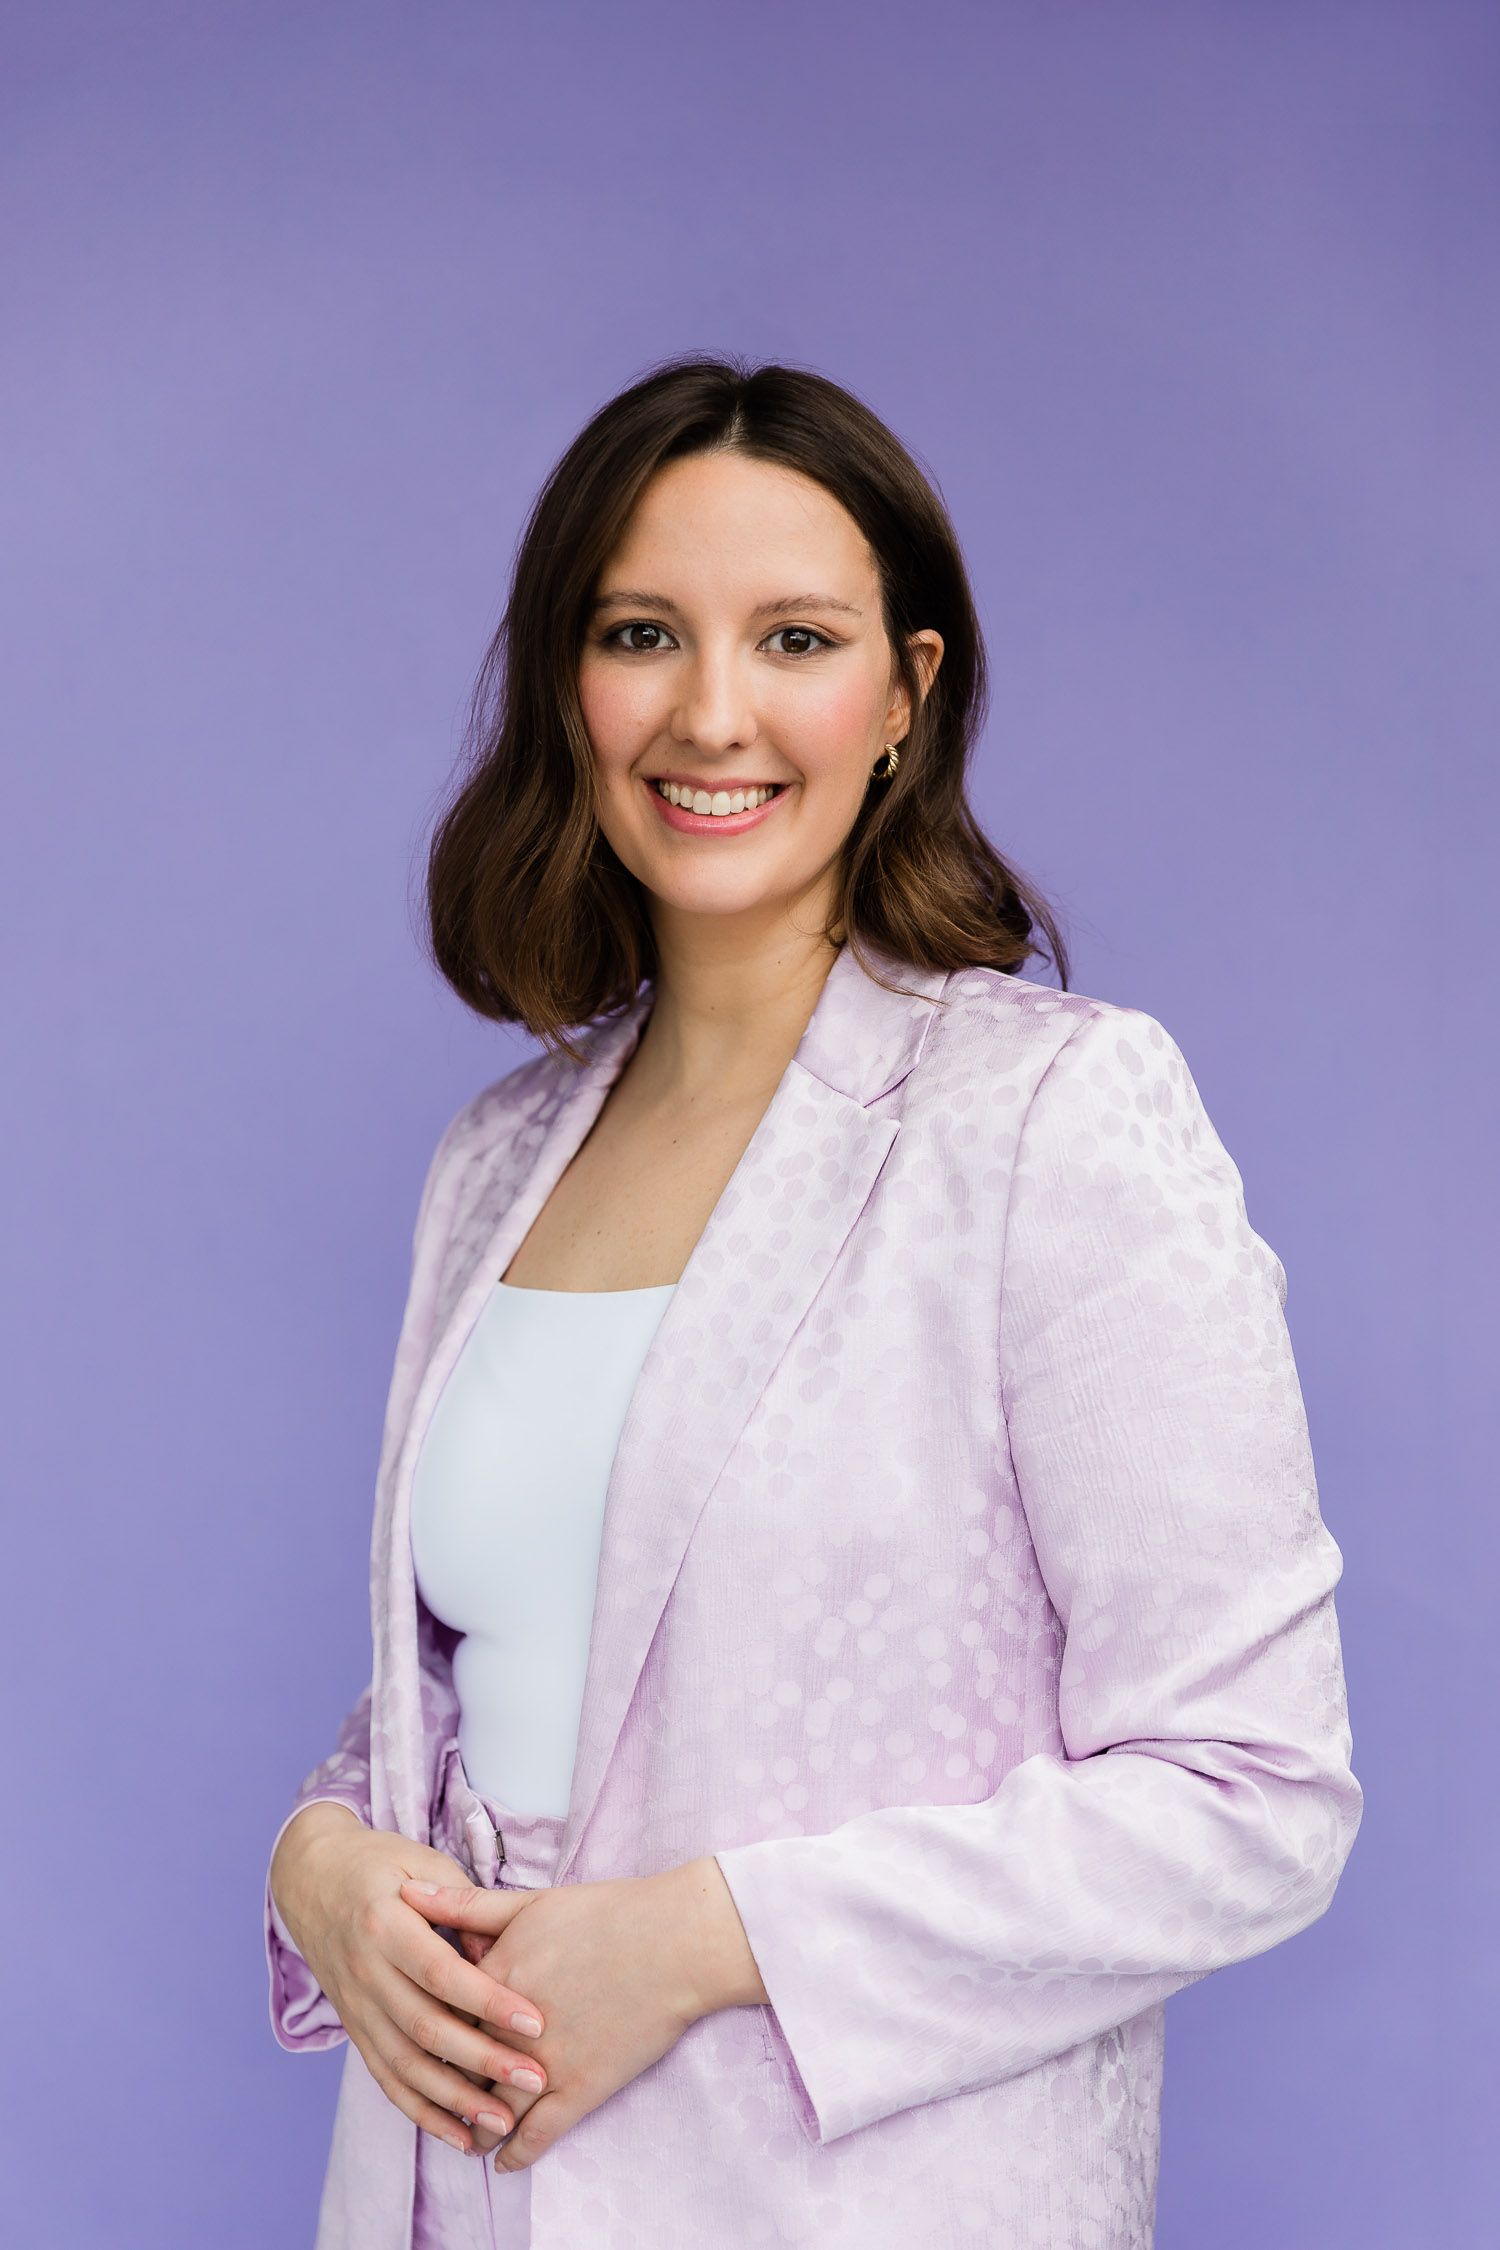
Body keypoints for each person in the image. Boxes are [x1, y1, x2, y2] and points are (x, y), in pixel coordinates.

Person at [266, 358, 1360, 2250]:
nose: (712, 711)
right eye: (640, 632)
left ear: (906, 696)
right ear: (565, 683)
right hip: (450, 2195)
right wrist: (318, 1863)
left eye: (795, 636)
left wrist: (700, 1941)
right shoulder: (496, 1157)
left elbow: (1252, 1792)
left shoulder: (1050, 1120)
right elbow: (494, 1686)